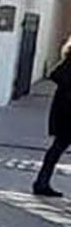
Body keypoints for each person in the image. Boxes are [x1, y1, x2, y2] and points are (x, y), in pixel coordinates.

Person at [33, 36, 71, 197]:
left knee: (57, 147)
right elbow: (56, 74)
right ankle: (41, 182)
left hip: (65, 111)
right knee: (58, 147)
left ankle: (41, 182)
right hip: (68, 113)